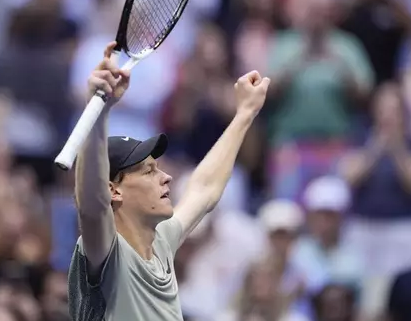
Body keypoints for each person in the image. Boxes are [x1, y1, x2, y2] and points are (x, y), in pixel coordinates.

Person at [67, 42, 270, 320]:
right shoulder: (107, 251)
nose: (167, 178)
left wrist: (244, 114)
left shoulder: (161, 241)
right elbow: (91, 205)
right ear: (113, 190)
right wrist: (100, 109)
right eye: (149, 171)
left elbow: (205, 188)